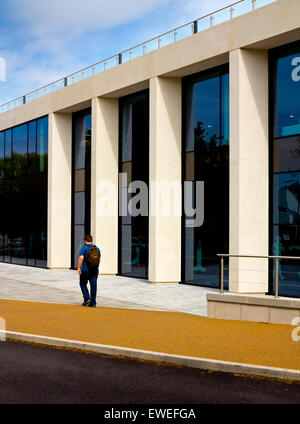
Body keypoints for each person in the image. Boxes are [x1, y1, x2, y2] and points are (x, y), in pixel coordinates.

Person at [78, 235, 101, 307]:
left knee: (83, 284)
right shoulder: (97, 248)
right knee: (93, 285)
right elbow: (99, 259)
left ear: (85, 241)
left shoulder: (84, 248)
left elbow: (81, 258)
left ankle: (87, 299)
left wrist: (79, 268)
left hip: (85, 270)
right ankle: (93, 303)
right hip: (94, 270)